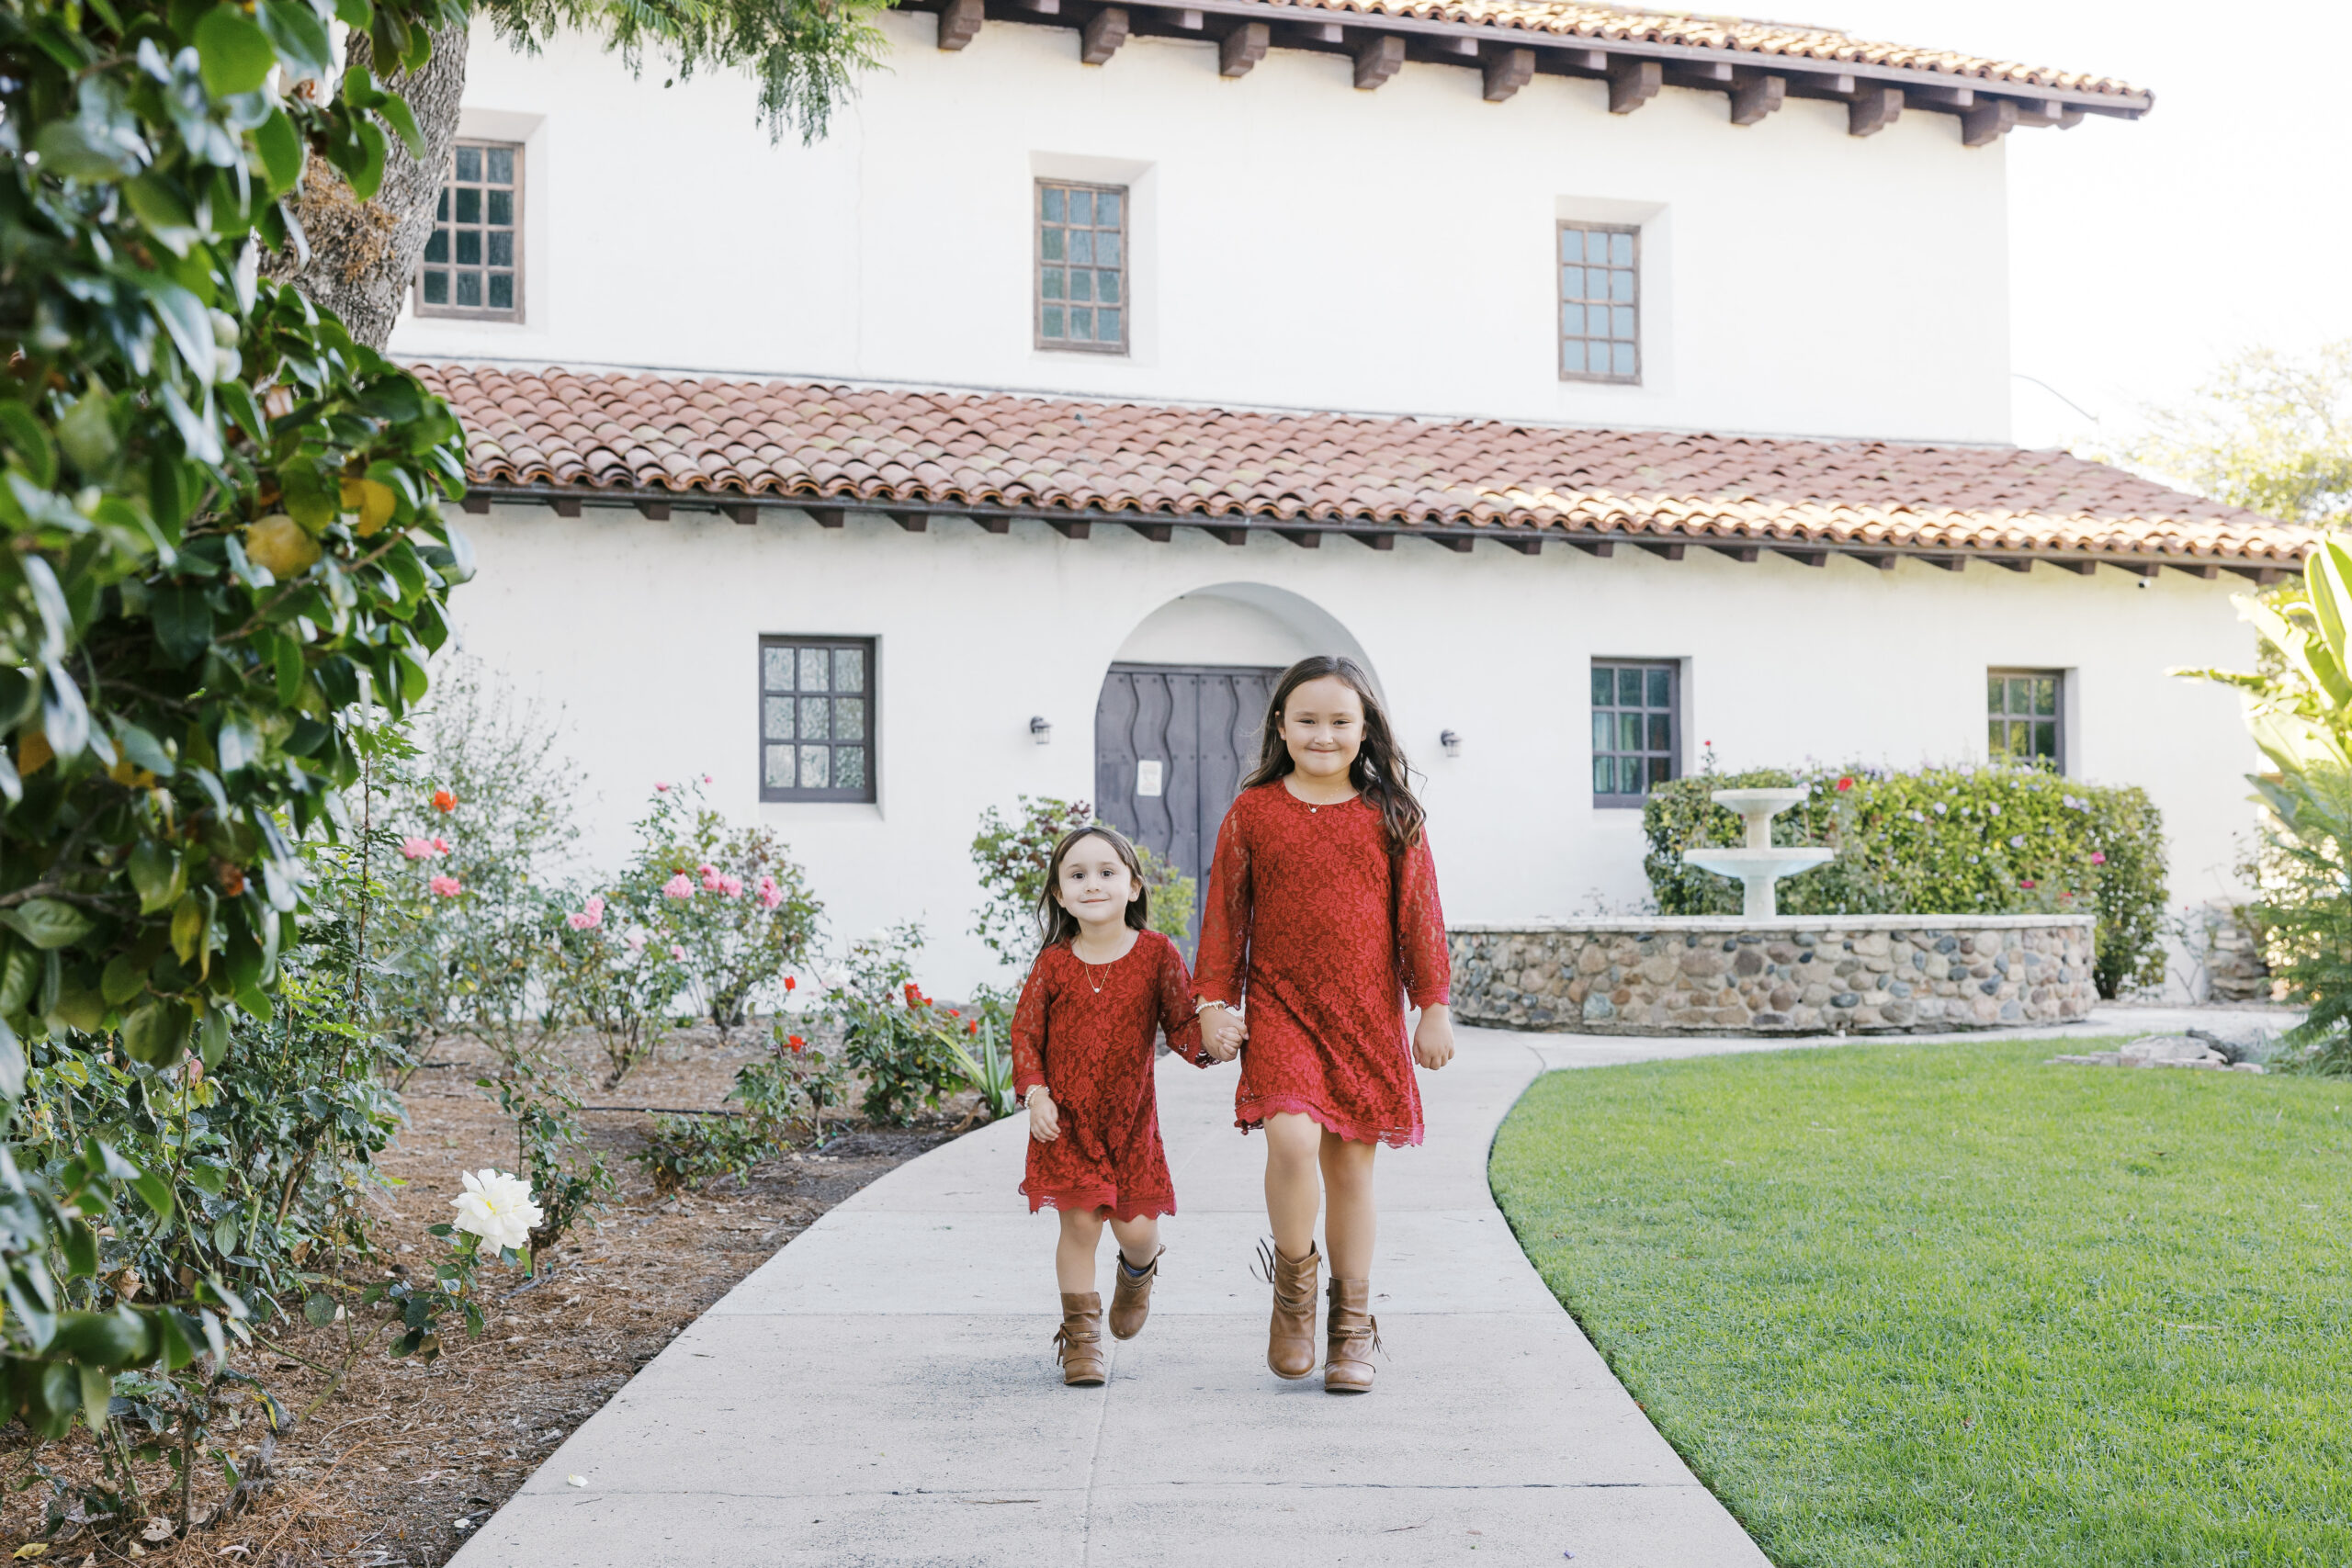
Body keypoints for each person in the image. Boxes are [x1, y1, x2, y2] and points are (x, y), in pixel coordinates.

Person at [1193, 655, 1454, 1394]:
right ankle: (1293, 1298)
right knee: (1292, 1135)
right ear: (1281, 725)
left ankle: (1350, 1329)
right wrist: (1213, 1002)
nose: (1323, 734)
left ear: (1365, 728)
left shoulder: (1391, 815)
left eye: (1340, 720)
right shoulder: (1254, 813)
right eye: (1307, 719)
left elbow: (1421, 919)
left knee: (1349, 1168)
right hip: (1282, 1007)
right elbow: (1225, 919)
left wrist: (1432, 1004)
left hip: (1366, 1014)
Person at [1012, 822, 1224, 1386]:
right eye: (1077, 875)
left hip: (1131, 1126)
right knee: (1078, 1225)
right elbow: (1026, 1035)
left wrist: (1212, 1039)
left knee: (1134, 1228)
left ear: (1133, 886)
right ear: (1060, 894)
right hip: (1068, 1124)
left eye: (1107, 872)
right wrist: (1035, 1096)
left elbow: (1181, 1025)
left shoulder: (1155, 954)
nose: (1093, 884)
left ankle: (1138, 1271)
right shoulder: (1055, 963)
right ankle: (1082, 1341)